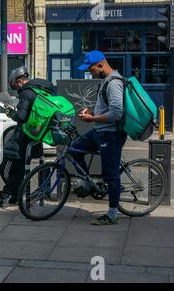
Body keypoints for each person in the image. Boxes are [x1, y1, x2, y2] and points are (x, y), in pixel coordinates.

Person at [0, 66, 54, 208]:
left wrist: (11, 113)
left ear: (20, 80)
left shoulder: (26, 92)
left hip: (23, 136)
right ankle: (14, 195)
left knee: (4, 164)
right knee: (19, 167)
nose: (16, 88)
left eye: (15, 85)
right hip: (35, 135)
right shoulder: (40, 90)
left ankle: (7, 194)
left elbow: (21, 116)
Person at [73, 50, 127, 225]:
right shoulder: (104, 81)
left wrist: (92, 118)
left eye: (91, 70)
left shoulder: (114, 83)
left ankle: (112, 214)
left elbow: (117, 113)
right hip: (100, 131)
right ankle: (88, 184)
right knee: (74, 149)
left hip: (111, 134)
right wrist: (91, 112)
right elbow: (106, 108)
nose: (90, 73)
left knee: (110, 175)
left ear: (101, 65)